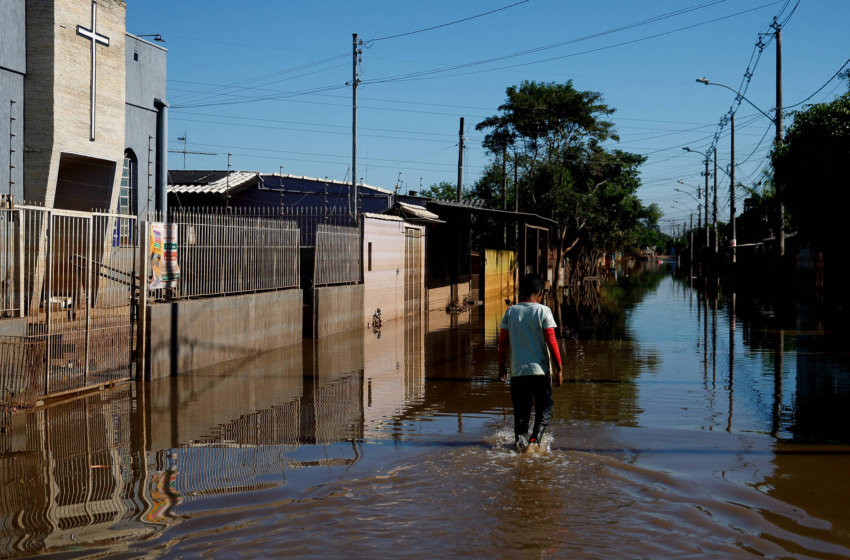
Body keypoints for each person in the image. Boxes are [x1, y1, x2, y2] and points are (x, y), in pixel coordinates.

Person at [497, 274, 563, 451]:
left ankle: (520, 444)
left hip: (518, 373)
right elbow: (551, 340)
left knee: (521, 412)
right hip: (541, 371)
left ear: (522, 292)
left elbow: (502, 342)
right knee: (545, 407)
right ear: (540, 293)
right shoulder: (543, 311)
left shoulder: (510, 312)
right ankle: (535, 439)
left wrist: (502, 367)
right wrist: (559, 368)